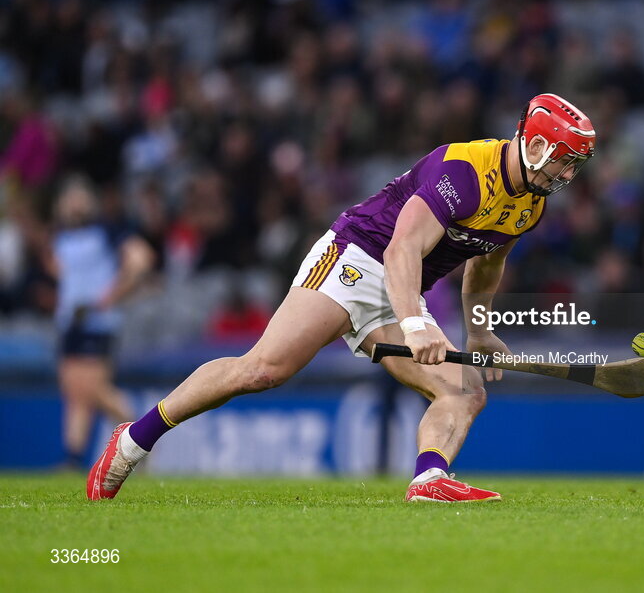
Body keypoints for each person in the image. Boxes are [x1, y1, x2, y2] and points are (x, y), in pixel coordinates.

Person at [87, 93, 596, 502]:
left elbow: (487, 262)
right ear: (538, 149)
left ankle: (429, 480)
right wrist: (417, 325)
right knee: (264, 369)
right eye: (566, 162)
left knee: (465, 392)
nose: (568, 176)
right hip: (356, 259)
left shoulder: (530, 205)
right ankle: (133, 440)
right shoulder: (463, 171)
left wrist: (479, 328)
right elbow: (401, 249)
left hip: (401, 286)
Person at [49, 177, 154, 469]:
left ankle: (140, 440)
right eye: (69, 197)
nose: (74, 203)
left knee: (95, 389)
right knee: (75, 392)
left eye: (79, 196)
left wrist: (112, 295)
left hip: (97, 322)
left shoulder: (107, 230)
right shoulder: (61, 236)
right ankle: (72, 459)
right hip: (71, 322)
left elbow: (141, 259)